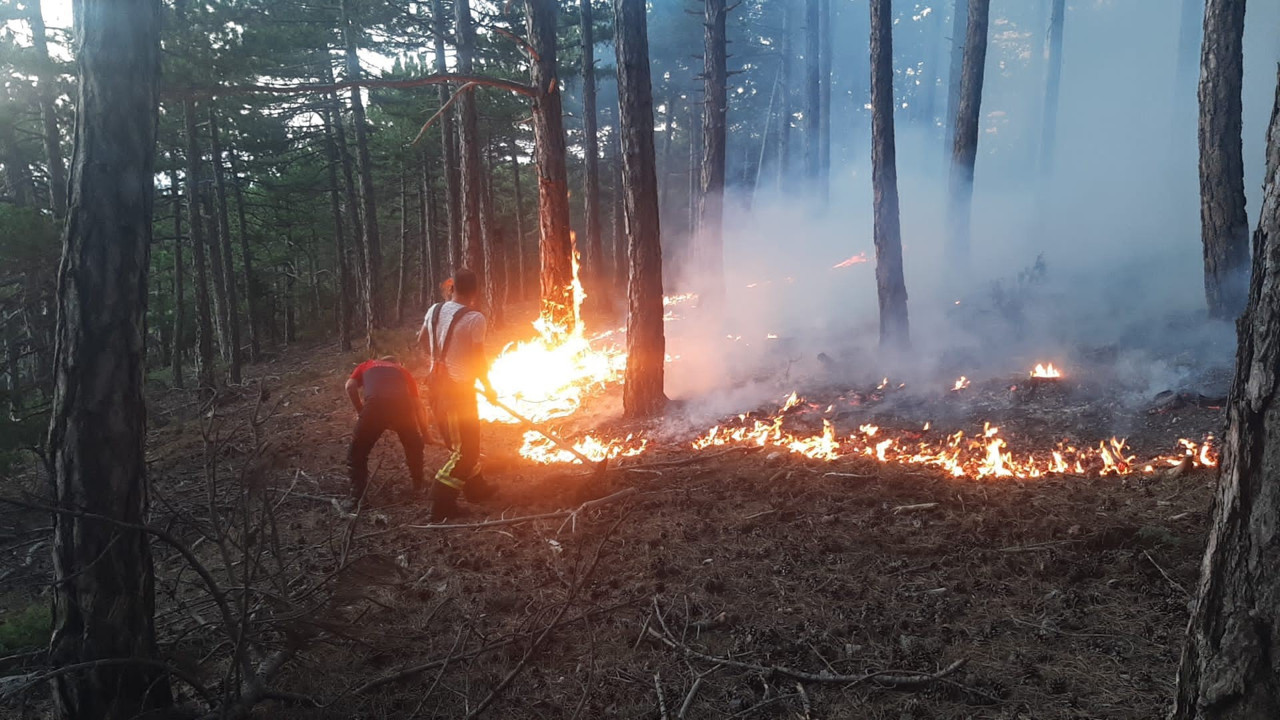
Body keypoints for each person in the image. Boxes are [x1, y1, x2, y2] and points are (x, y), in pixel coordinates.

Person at [418, 269, 497, 521]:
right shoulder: (475, 318)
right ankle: (441, 502)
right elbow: (478, 359)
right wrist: (488, 387)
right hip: (458, 395)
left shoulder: (434, 310)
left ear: (452, 288)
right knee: (466, 451)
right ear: (475, 292)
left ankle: (476, 488)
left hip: (436, 389)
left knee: (464, 442)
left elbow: (421, 340)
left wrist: (437, 361)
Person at [344, 355, 429, 502]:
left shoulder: (367, 364)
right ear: (397, 363)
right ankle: (418, 486)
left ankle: (357, 499)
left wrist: (361, 411)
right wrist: (425, 433)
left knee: (357, 453)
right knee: (414, 446)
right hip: (402, 407)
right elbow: (418, 406)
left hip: (374, 406)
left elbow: (349, 386)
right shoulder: (403, 371)